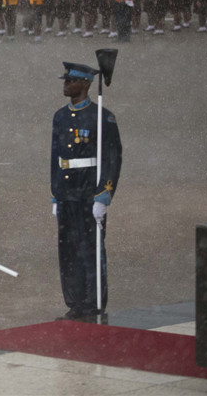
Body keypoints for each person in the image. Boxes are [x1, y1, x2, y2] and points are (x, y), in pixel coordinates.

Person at [51, 62, 121, 319]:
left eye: (71, 81)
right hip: (67, 191)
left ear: (86, 84)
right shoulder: (59, 116)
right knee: (67, 248)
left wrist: (104, 194)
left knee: (90, 248)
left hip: (88, 191)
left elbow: (112, 158)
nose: (66, 85)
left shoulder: (102, 117)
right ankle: (75, 301)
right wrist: (55, 192)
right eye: (66, 80)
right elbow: (55, 156)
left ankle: (93, 302)